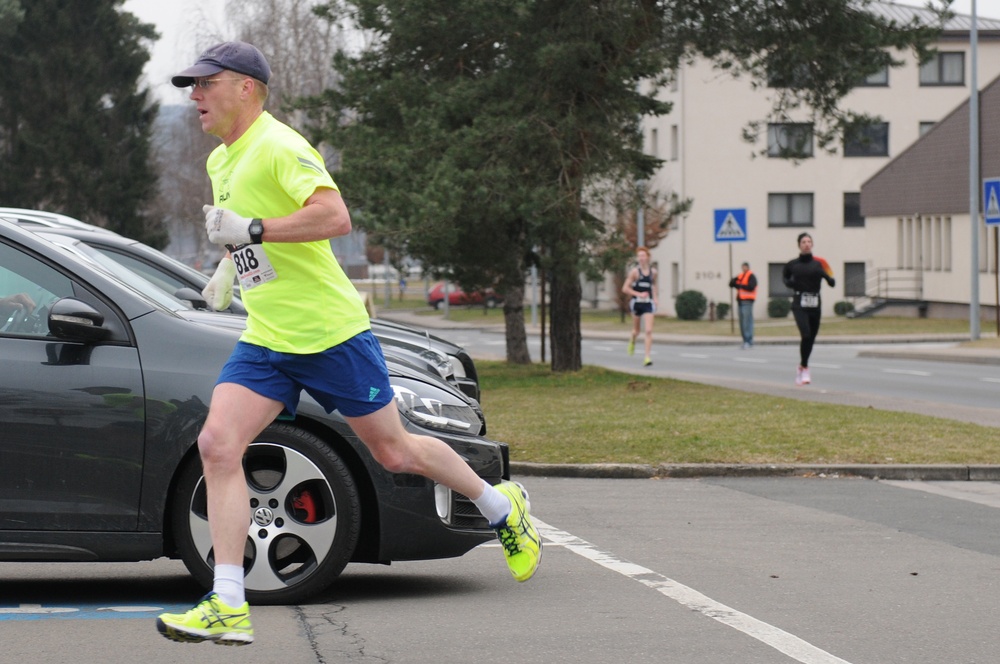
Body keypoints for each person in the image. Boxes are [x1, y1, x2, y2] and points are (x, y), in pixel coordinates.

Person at [156, 42, 540, 647]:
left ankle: (500, 505)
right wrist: (230, 265)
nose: (194, 95)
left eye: (207, 83)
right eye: (191, 86)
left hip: (331, 334)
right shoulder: (221, 162)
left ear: (247, 88)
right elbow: (257, 245)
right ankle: (228, 600)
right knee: (218, 444)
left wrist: (252, 228)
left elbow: (334, 217)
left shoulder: (280, 146)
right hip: (268, 338)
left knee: (394, 452)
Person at [782, 233, 835, 386]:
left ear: (812, 244)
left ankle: (803, 365)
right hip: (799, 303)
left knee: (811, 337)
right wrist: (790, 283)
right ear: (799, 245)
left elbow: (831, 278)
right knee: (805, 334)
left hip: (815, 303)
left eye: (809, 241)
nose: (806, 244)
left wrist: (829, 279)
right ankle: (805, 368)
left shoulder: (820, 263)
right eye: (803, 242)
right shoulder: (792, 264)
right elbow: (785, 278)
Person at [622, 246, 658, 366]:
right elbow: (625, 288)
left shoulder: (653, 272)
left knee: (648, 330)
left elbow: (654, 286)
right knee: (636, 331)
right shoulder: (635, 272)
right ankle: (632, 340)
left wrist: (656, 298)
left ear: (648, 257)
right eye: (639, 256)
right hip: (637, 303)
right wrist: (638, 294)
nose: (641, 258)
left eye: (643, 255)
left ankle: (647, 357)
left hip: (648, 303)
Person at [728, 262, 757, 349]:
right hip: (740, 301)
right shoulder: (741, 276)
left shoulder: (751, 276)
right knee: (742, 322)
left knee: (747, 321)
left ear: (748, 267)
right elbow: (732, 283)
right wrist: (735, 282)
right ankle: (745, 340)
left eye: (745, 267)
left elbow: (751, 287)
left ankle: (748, 340)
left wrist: (740, 285)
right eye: (743, 267)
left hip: (747, 301)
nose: (744, 268)